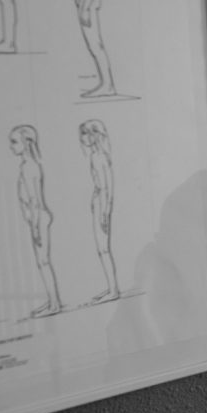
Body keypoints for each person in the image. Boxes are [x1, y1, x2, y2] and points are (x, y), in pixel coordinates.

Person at [9, 125, 62, 317]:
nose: (11, 146)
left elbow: (34, 200)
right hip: (37, 217)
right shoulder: (28, 165)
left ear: (26, 143)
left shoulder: (29, 167)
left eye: (14, 142)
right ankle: (52, 301)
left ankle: (54, 304)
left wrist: (35, 228)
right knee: (42, 262)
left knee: (43, 262)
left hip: (38, 218)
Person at [79, 119, 119, 302]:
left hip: (101, 203)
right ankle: (111, 287)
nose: (82, 138)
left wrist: (104, 212)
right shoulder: (98, 155)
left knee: (103, 249)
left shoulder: (99, 157)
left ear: (95, 134)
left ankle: (113, 290)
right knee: (102, 249)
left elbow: (107, 188)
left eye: (85, 133)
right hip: (99, 203)